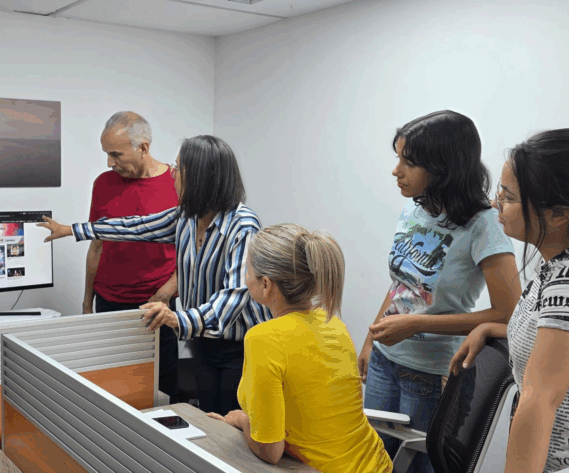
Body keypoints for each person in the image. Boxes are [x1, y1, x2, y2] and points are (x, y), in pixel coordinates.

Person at [40, 134, 271, 415]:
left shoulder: (243, 226)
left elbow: (230, 301)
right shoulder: (187, 216)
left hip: (240, 350)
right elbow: (137, 227)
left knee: (234, 427)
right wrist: (72, 230)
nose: (172, 174)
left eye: (178, 168)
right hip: (203, 344)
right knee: (213, 421)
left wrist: (176, 318)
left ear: (199, 177)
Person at [359, 110, 521, 473]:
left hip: (430, 374)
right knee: (373, 462)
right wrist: (372, 338)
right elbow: (404, 283)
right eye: (398, 158)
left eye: (409, 162)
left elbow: (509, 313)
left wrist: (416, 325)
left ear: (443, 168)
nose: (396, 171)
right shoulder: (415, 207)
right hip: (385, 360)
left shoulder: (484, 226)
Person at [450, 129, 569, 472]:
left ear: (559, 214)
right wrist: (491, 328)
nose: (495, 204)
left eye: (508, 197)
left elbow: (541, 399)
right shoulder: (566, 258)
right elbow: (561, 339)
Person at [208, 223, 392, 472]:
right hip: (377, 464)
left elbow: (271, 451)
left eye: (248, 270)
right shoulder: (333, 323)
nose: (246, 278)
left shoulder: (263, 339)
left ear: (266, 284)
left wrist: (240, 419)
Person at [86, 111, 181, 403]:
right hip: (109, 303)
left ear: (143, 147)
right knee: (112, 389)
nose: (109, 163)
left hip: (157, 305)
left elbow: (193, 250)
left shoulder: (176, 182)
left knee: (161, 390)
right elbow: (96, 245)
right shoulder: (103, 183)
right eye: (106, 154)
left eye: (116, 154)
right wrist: (87, 302)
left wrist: (165, 293)